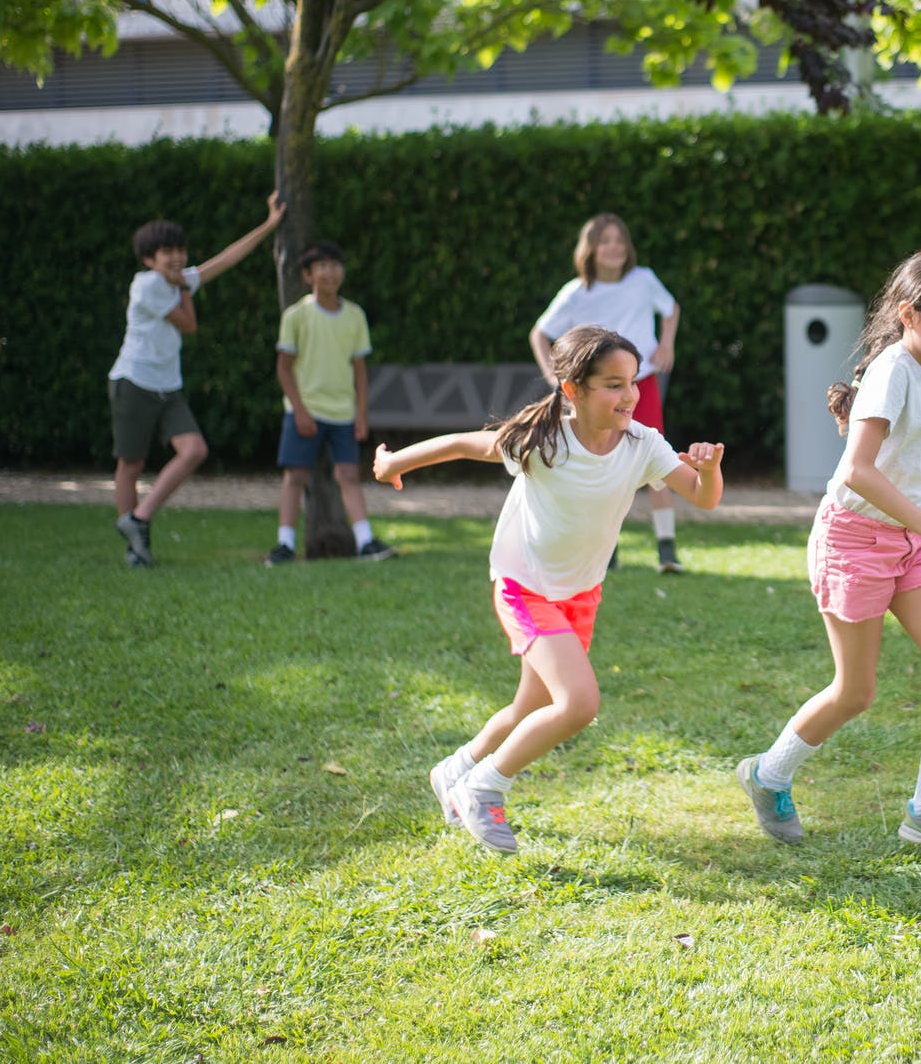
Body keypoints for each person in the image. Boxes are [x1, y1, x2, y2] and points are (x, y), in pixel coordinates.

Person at [373, 324, 725, 855]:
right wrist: (395, 462)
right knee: (579, 702)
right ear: (573, 391)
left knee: (527, 707)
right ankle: (484, 788)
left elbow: (702, 497)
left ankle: (456, 769)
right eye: (612, 384)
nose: (628, 394)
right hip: (523, 585)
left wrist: (711, 469)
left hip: (579, 593)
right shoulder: (543, 440)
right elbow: (465, 444)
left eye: (631, 382)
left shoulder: (642, 444)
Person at [737, 250, 921, 853]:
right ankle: (768, 774)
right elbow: (858, 471)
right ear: (909, 314)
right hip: (853, 540)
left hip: (908, 541)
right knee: (855, 691)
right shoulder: (891, 370)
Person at [107, 192, 285, 567]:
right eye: (166, 251)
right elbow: (189, 325)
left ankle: (138, 519)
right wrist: (185, 284)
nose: (176, 256)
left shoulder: (179, 281)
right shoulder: (148, 285)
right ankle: (135, 548)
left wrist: (268, 225)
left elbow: (226, 259)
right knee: (131, 464)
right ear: (148, 259)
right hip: (133, 380)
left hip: (167, 386)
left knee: (195, 450)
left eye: (179, 249)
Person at [529, 213, 686, 573]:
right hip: (597, 392)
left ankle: (666, 548)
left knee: (658, 460)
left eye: (620, 240)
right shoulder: (576, 292)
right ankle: (606, 547)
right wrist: (551, 373)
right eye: (605, 241)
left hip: (641, 383)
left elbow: (671, 308)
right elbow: (539, 333)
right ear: (591, 248)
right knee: (603, 462)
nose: (614, 247)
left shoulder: (644, 281)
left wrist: (667, 344)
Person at [266, 241, 394, 565]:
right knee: (295, 477)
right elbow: (283, 367)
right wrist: (299, 409)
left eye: (335, 264)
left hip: (343, 414)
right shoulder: (295, 316)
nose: (329, 272)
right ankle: (284, 545)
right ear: (308, 275)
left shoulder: (354, 316)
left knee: (349, 475)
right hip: (304, 411)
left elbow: (360, 371)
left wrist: (361, 414)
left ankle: (366, 542)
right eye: (321, 266)